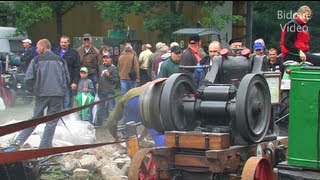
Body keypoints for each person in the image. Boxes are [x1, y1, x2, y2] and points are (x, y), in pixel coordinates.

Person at [13, 39, 70, 149]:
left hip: (42, 94)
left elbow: (28, 79)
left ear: (43, 46)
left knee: (35, 120)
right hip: (57, 95)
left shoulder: (36, 60)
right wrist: (62, 91)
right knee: (51, 123)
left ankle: (17, 143)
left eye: (38, 47)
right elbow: (67, 79)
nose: (36, 49)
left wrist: (35, 91)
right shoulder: (60, 60)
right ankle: (44, 149)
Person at [106, 78, 166, 147]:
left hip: (133, 101)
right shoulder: (153, 88)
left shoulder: (126, 96)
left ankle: (132, 152)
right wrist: (142, 137)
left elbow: (111, 120)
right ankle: (166, 150)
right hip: (154, 100)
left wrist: (115, 137)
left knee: (129, 130)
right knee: (157, 132)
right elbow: (149, 123)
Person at [54, 35, 81, 109]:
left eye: (65, 42)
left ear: (68, 43)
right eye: (62, 42)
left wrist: (75, 82)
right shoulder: (55, 52)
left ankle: (68, 118)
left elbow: (77, 68)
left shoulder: (74, 53)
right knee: (57, 103)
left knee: (67, 102)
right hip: (57, 82)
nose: (63, 44)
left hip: (69, 81)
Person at [95, 52, 119, 127]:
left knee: (111, 108)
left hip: (110, 91)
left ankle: (113, 124)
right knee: (100, 107)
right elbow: (98, 77)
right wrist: (97, 83)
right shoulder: (100, 67)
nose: (105, 59)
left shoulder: (114, 68)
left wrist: (109, 76)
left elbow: (116, 80)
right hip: (101, 90)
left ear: (110, 59)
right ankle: (99, 123)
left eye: (107, 58)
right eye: (104, 58)